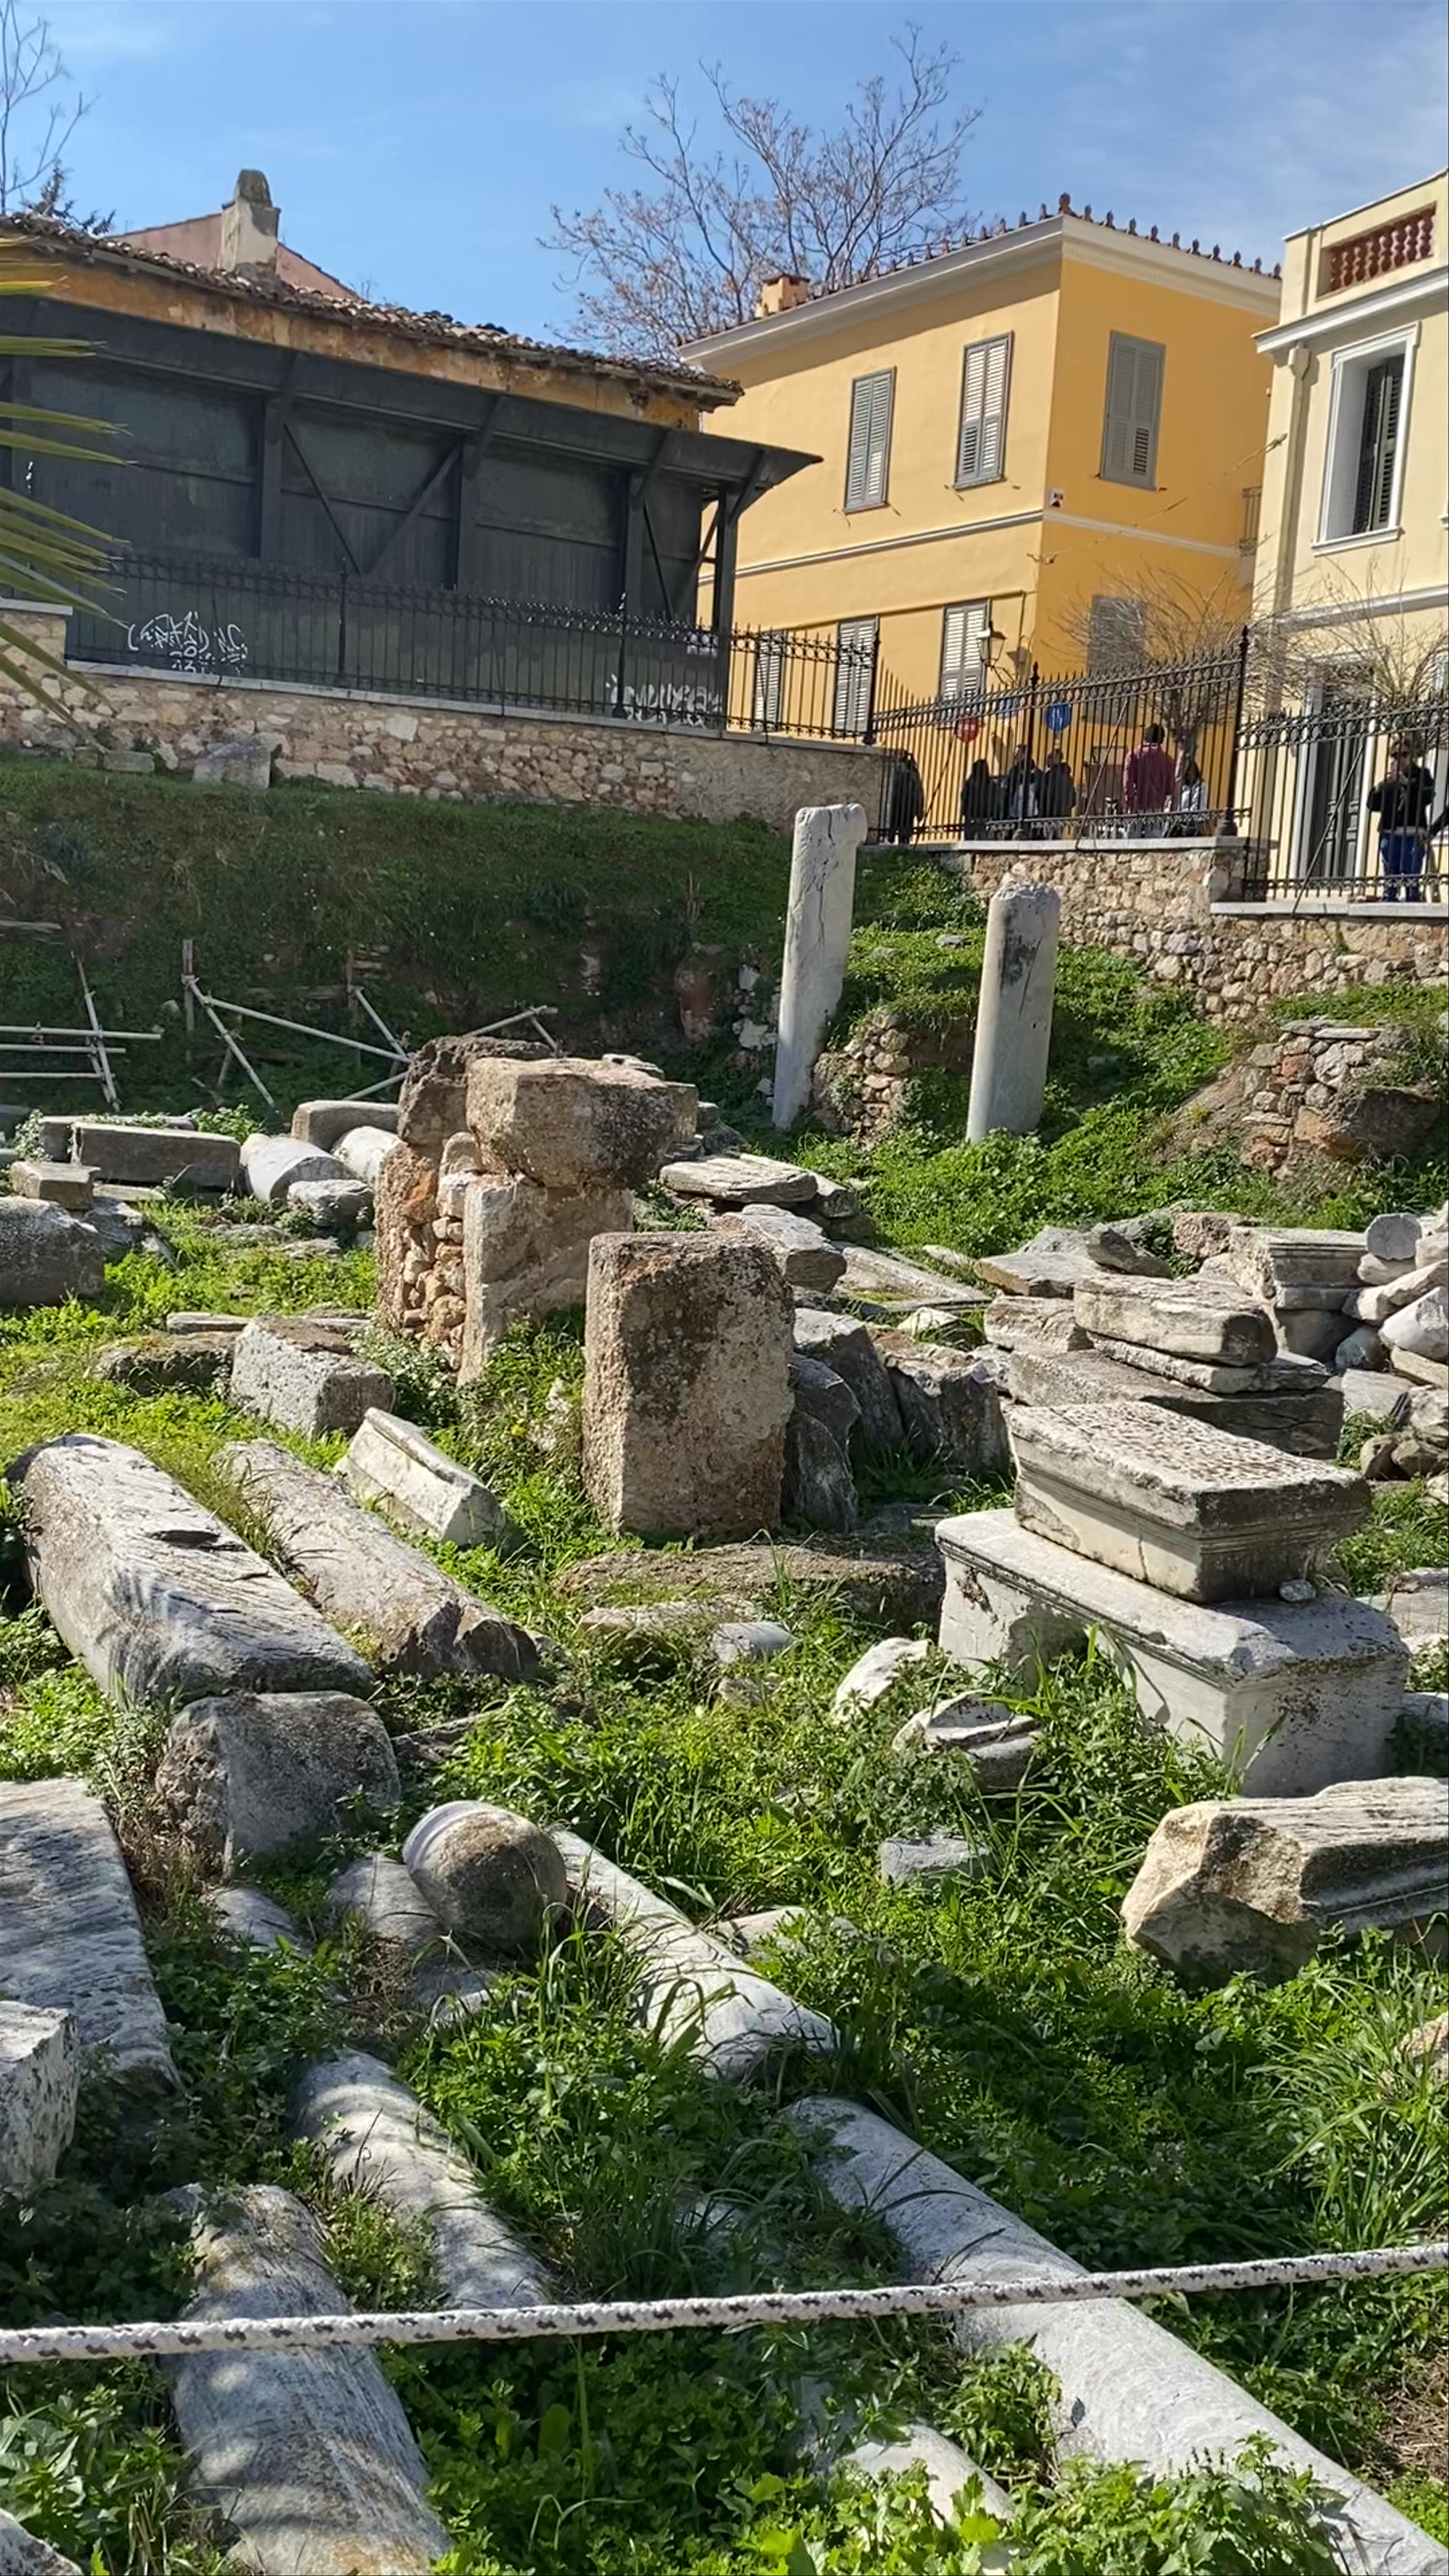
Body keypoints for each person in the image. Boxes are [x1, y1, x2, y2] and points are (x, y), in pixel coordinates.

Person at [1367, 742, 1436, 899]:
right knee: (1391, 872)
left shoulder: (1422, 775)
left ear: (1411, 756)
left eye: (1404, 754)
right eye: (1395, 755)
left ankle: (1413, 903)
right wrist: (1380, 786)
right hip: (1389, 832)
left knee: (1411, 871)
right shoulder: (1389, 779)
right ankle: (1389, 900)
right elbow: (1373, 805)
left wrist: (1407, 784)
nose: (1400, 759)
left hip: (1413, 832)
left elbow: (1427, 798)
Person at [1123, 722, 1177, 830]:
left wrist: (1130, 803)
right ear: (1161, 739)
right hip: (1156, 808)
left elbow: (1127, 784)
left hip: (1136, 807)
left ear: (1145, 737)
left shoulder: (1133, 756)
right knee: (1154, 844)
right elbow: (1170, 789)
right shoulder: (1168, 760)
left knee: (1131, 844)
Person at [883, 747, 926, 846]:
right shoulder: (912, 771)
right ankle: (902, 845)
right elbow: (918, 791)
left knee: (892, 830)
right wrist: (919, 810)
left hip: (896, 804)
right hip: (907, 806)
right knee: (904, 833)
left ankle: (892, 842)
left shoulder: (893, 769)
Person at [1002, 743, 1040, 831]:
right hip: (1019, 810)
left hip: (1030, 811)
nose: (1016, 757)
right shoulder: (1015, 771)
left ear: (1025, 755)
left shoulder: (1016, 771)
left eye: (1018, 754)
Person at [1037, 750, 1076, 833]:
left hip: (1050, 815)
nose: (1047, 759)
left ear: (1057, 759)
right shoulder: (1069, 778)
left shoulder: (1049, 776)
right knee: (1058, 839)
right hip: (1063, 816)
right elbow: (1074, 800)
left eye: (1050, 757)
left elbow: (1043, 796)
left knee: (1049, 840)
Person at [960, 757, 999, 835]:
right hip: (986, 821)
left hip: (973, 820)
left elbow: (964, 800)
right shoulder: (992, 786)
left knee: (970, 842)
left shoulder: (969, 785)